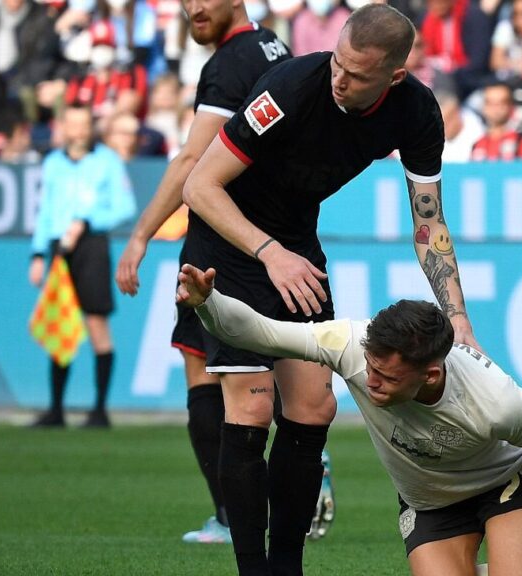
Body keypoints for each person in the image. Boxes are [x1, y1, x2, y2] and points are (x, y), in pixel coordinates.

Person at [181, 5, 480, 575]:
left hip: (294, 246)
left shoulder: (416, 111)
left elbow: (429, 222)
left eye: (356, 74)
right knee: (253, 404)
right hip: (230, 244)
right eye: (338, 62)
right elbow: (200, 185)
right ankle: (254, 567)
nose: (339, 78)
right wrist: (268, 254)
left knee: (314, 406)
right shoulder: (291, 86)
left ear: (393, 77)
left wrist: (457, 319)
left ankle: (286, 565)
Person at [176, 263, 522, 576]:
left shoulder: (494, 399)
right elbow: (259, 333)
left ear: (431, 374)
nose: (370, 383)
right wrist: (208, 304)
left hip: (504, 483)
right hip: (430, 502)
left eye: (387, 377)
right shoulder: (352, 344)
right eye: (369, 367)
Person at [114, 0, 293, 545]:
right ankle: (292, 472)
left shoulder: (228, 63)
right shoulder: (274, 49)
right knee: (269, 374)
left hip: (222, 240)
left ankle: (231, 516)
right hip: (271, 235)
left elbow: (193, 160)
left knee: (207, 376)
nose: (194, 7)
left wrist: (142, 233)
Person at [29, 104, 137, 429]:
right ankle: (56, 409)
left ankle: (100, 410)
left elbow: (125, 208)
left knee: (96, 323)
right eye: (71, 124)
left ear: (91, 128)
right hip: (59, 250)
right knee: (59, 322)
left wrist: (87, 222)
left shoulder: (107, 161)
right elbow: (45, 210)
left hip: (91, 246)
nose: (77, 131)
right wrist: (37, 253)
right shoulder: (52, 163)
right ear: (62, 127)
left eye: (83, 125)